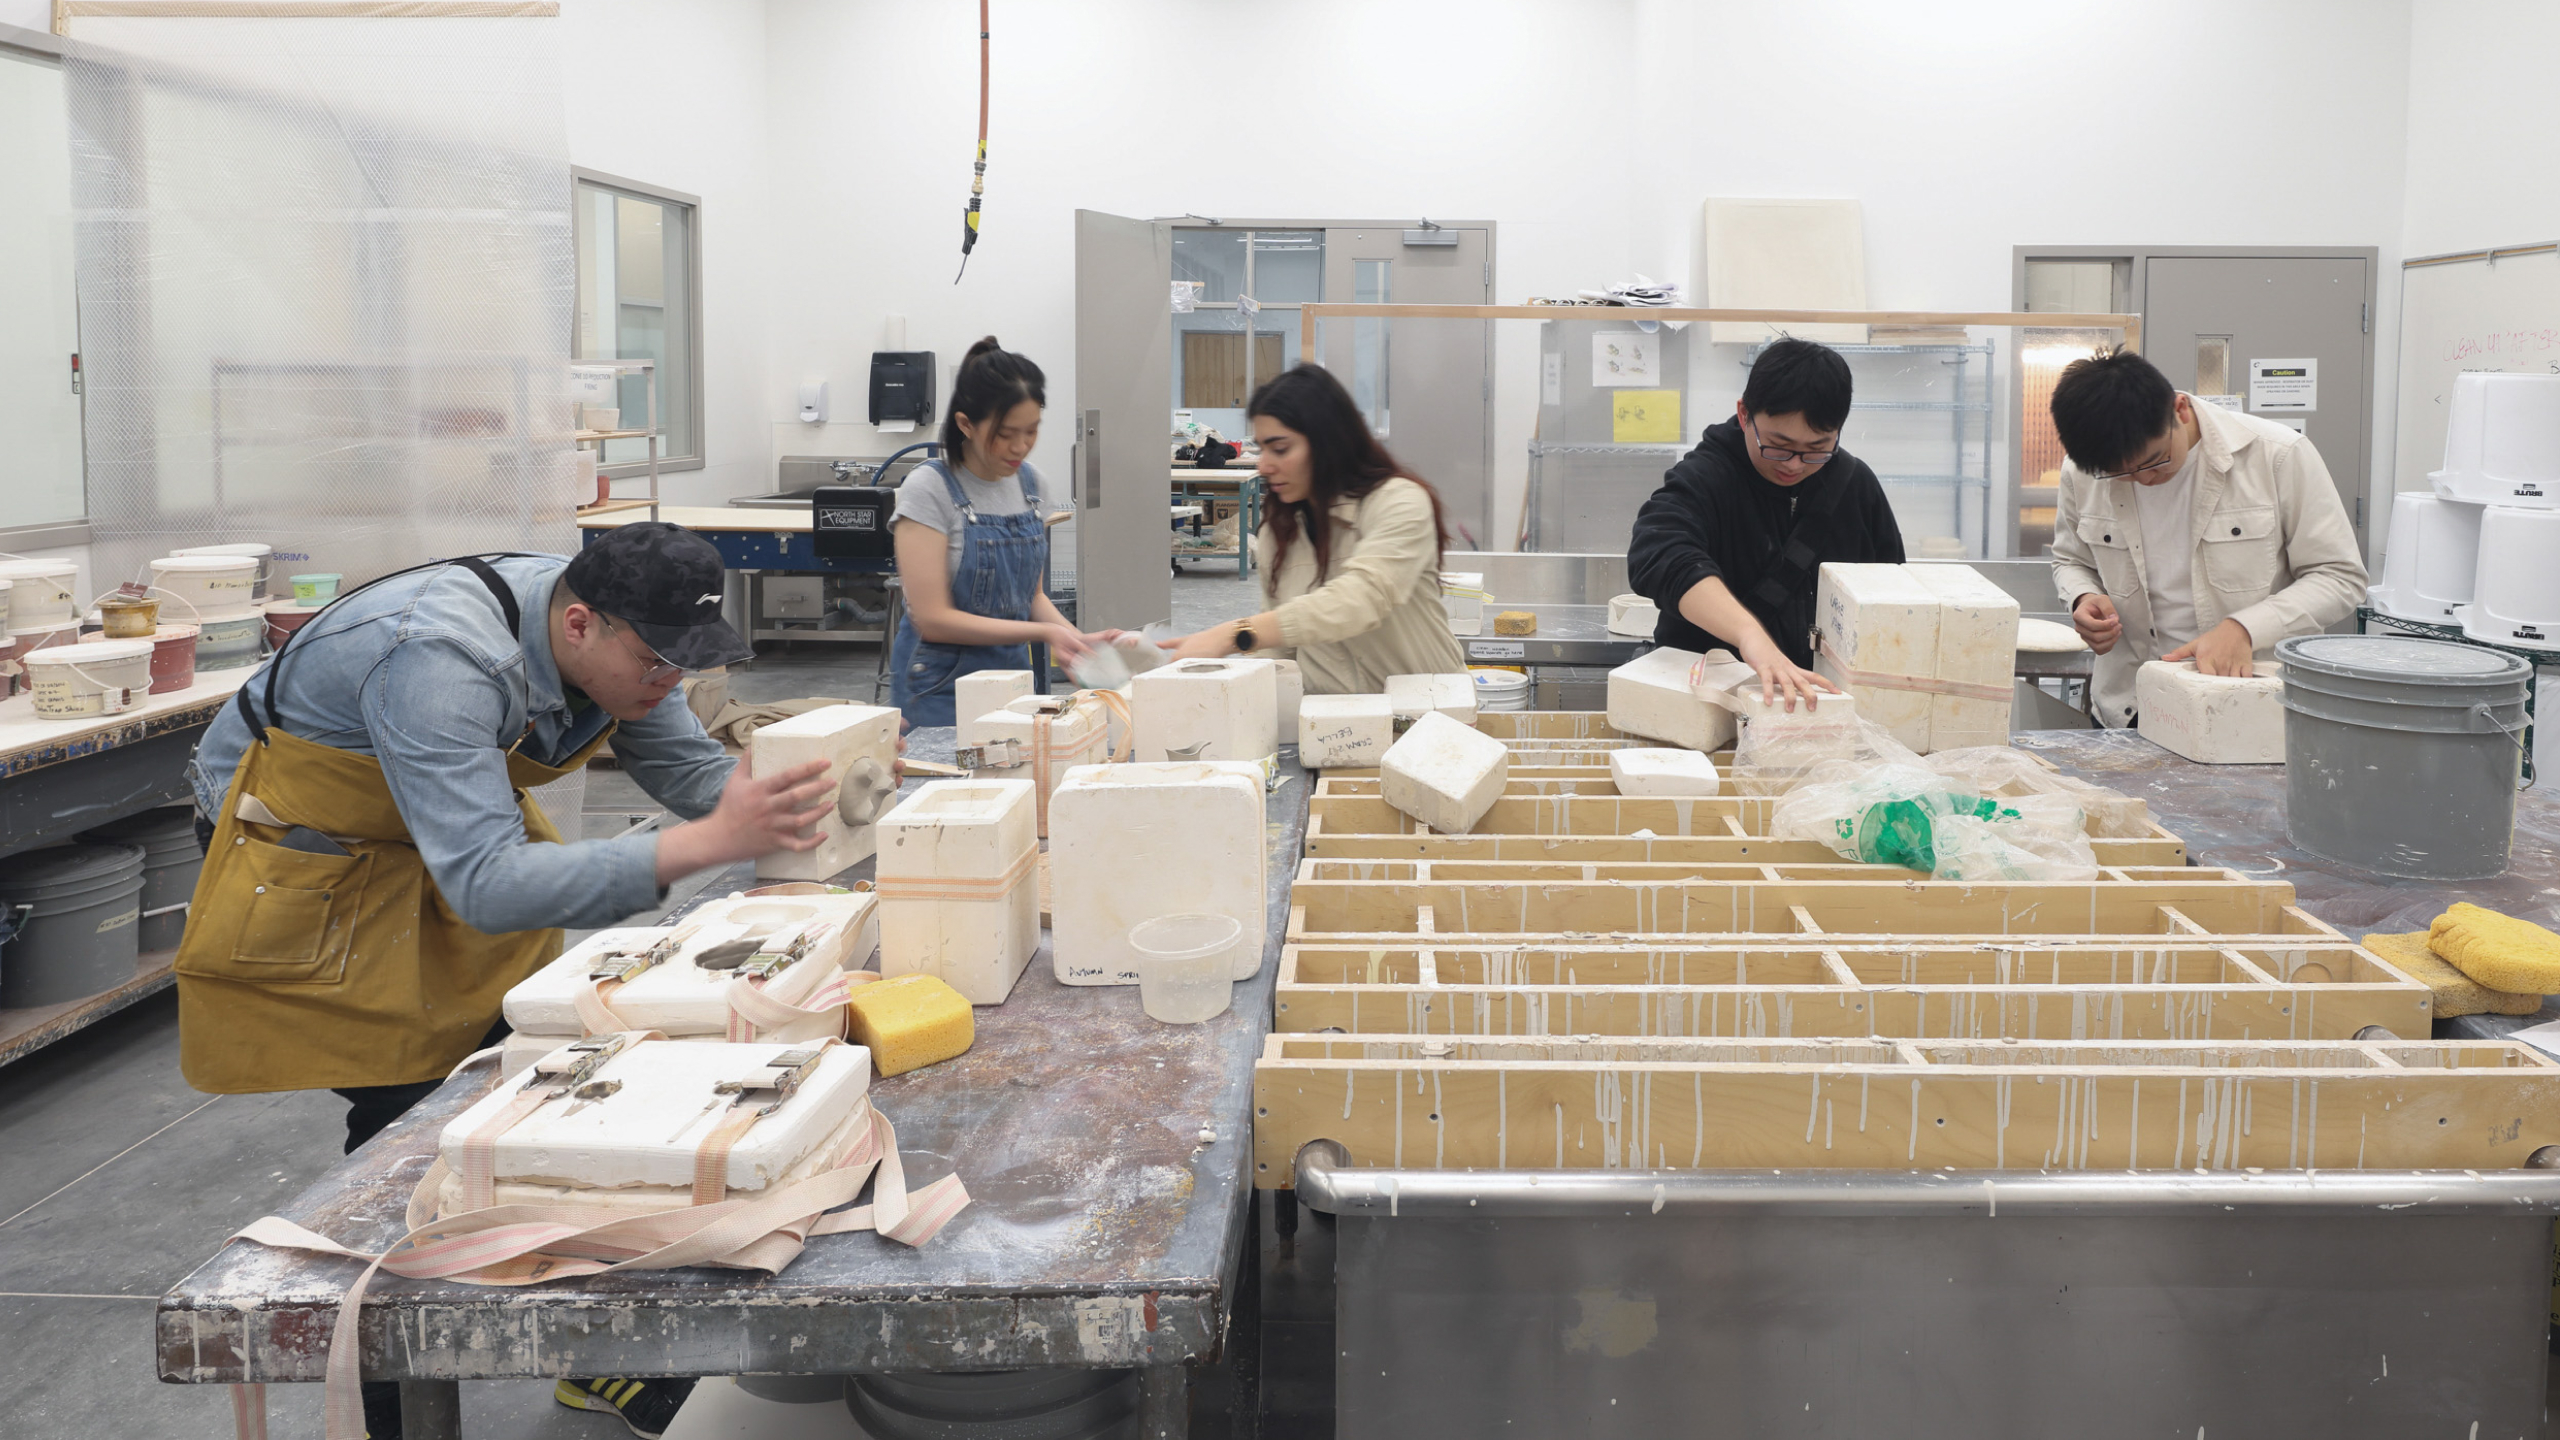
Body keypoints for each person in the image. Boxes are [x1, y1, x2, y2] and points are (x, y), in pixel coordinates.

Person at [178, 523, 837, 1440]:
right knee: (410, 1128)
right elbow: (486, 885)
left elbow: (688, 769)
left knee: (540, 1076)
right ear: (579, 625)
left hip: (437, 836)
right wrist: (702, 846)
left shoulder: (619, 641)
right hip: (311, 847)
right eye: (657, 662)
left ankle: (596, 1357)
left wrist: (815, 808)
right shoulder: (438, 659)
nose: (671, 681)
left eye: (685, 662)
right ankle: (392, 1408)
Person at [2046, 348, 2367, 728]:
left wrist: (2245, 629)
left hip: (2248, 704)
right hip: (2129, 706)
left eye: (2155, 460)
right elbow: (2071, 560)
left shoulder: (2277, 455)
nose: (2144, 480)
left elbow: (2340, 576)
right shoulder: (2082, 472)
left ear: (2180, 409)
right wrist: (2083, 596)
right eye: (2122, 473)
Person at [1626, 337, 1905, 707]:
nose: (1794, 464)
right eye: (1778, 445)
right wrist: (1749, 635)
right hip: (1709, 704)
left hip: (1821, 707)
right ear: (1744, 414)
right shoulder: (1706, 477)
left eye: (1817, 449)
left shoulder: (1854, 485)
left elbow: (1891, 595)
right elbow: (1660, 555)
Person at [1157, 363, 1468, 692]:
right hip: (1332, 720)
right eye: (1262, 449)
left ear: (1328, 442)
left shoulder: (1399, 501)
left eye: (1280, 449)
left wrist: (1236, 634)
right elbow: (1279, 655)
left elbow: (1364, 598)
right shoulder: (1280, 532)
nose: (1264, 464)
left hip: (1429, 710)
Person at [891, 336, 1116, 725]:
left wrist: (1076, 641)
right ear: (965, 424)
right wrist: (1043, 633)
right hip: (940, 686)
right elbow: (932, 618)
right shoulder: (929, 489)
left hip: (1012, 680)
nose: (1020, 447)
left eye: (1031, 431)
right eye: (1006, 434)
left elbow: (1033, 596)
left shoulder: (1032, 485)